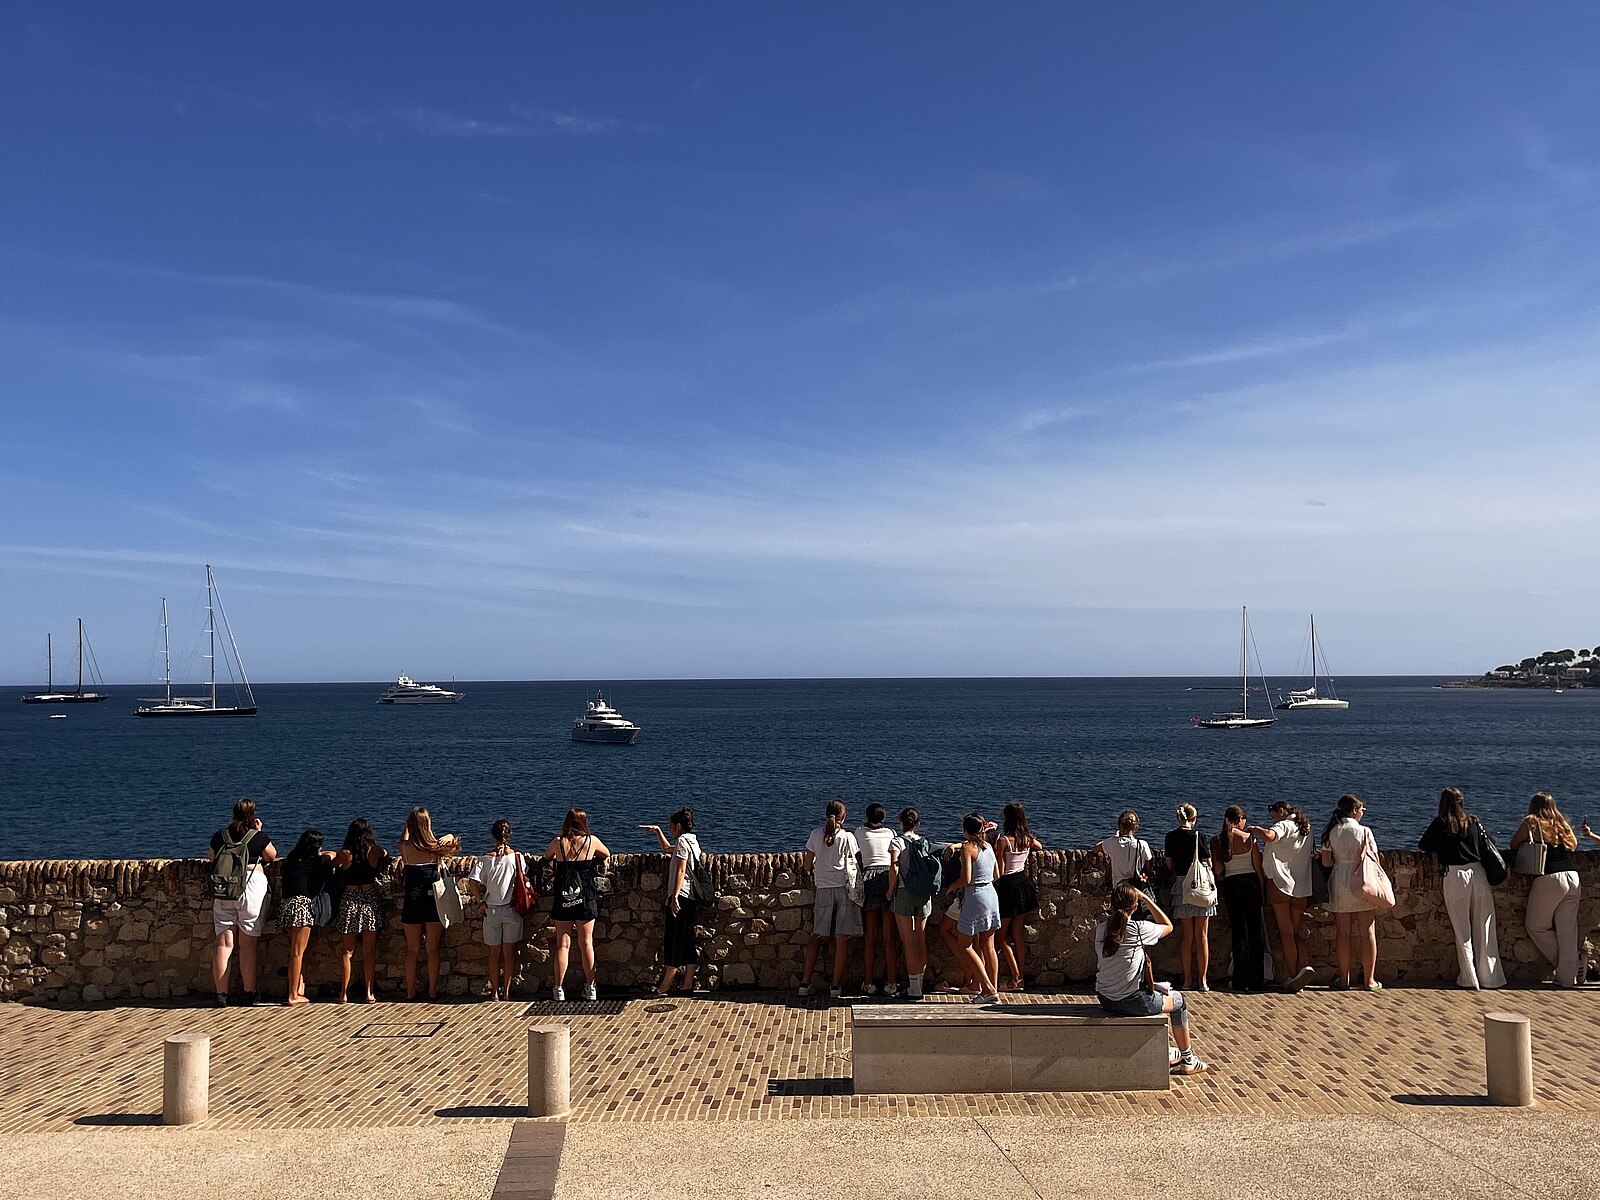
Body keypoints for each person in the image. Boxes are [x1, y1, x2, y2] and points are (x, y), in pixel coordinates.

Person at [1094, 884, 1209, 1076]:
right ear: (1135, 907)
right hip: (1131, 1002)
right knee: (1179, 1001)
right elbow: (1168, 926)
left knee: (1156, 993)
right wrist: (1147, 899)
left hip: (1105, 998)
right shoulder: (1139, 929)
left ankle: (1171, 1052)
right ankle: (1188, 1059)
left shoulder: (1101, 930)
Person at [1417, 788, 1505, 990]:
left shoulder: (1441, 823)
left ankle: (1469, 977)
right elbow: (1490, 842)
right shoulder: (1473, 822)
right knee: (1484, 924)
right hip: (1478, 873)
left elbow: (1423, 846)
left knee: (1461, 928)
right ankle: (1491, 978)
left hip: (1456, 874)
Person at [207, 798, 277, 1006]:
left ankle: (221, 995)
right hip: (251, 886)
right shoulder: (258, 836)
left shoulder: (220, 835)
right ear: (253, 815)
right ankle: (249, 993)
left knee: (223, 943)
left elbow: (212, 858)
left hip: (225, 887)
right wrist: (259, 831)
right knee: (247, 945)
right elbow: (271, 856)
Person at [1510, 793, 1583, 988]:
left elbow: (1513, 844)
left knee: (1536, 926)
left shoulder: (1532, 822)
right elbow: (1574, 846)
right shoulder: (1562, 823)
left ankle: (1571, 966)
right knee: (1567, 930)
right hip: (1573, 876)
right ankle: (1568, 976)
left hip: (1550, 877)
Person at [1248, 802, 1316, 992]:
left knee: (1286, 933)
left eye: (1273, 816)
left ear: (1281, 812)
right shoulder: (1306, 828)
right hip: (1301, 886)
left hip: (1280, 883)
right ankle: (1304, 967)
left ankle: (1293, 975)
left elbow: (1270, 836)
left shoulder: (1284, 825)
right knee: (1297, 932)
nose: (1272, 820)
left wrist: (1256, 830)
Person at [545, 808, 610, 1002]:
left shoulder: (558, 843)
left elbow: (547, 857)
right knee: (586, 943)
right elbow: (606, 853)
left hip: (564, 898)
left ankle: (559, 988)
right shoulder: (591, 841)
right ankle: (591, 987)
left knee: (563, 944)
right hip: (585, 898)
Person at [397, 807, 462, 1001]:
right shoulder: (435, 848)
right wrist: (448, 835)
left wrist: (408, 826)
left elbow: (402, 839)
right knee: (432, 947)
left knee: (412, 949)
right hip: (432, 899)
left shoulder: (405, 848)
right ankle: (432, 990)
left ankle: (410, 991)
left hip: (412, 899)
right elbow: (454, 843)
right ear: (428, 824)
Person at [800, 799, 862, 998]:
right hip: (843, 889)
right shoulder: (848, 837)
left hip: (823, 889)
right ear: (844, 817)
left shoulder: (815, 834)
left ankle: (805, 983)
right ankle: (835, 987)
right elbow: (854, 862)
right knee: (842, 938)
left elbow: (807, 865)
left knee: (817, 935)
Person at [1321, 794, 1382, 991]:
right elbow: (1375, 859)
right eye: (1362, 809)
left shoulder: (1331, 831)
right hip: (1362, 880)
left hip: (1339, 880)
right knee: (1367, 932)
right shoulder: (1365, 831)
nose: (1363, 812)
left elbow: (1326, 862)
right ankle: (1369, 980)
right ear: (1354, 810)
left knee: (1343, 932)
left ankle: (1343, 979)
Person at [640, 808, 703, 995]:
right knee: (688, 939)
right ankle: (687, 983)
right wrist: (658, 831)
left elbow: (681, 870)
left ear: (678, 826)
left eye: (670, 827)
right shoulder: (693, 841)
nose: (670, 830)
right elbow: (668, 850)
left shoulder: (682, 841)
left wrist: (674, 896)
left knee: (674, 939)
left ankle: (665, 985)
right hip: (691, 897)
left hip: (682, 896)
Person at [942, 812, 1002, 1004]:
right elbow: (997, 874)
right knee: (989, 946)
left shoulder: (968, 848)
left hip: (975, 896)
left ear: (965, 830)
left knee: (964, 944)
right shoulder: (989, 847)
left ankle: (988, 989)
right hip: (991, 894)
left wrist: (952, 887)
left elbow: (966, 878)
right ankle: (992, 989)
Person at [466, 819, 526, 1002]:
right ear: (509, 835)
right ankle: (507, 991)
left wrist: (480, 902)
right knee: (509, 953)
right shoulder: (517, 857)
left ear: (493, 836)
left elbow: (472, 881)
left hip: (491, 910)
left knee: (493, 954)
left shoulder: (485, 859)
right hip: (511, 909)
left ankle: (494, 992)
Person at [333, 817, 389, 1004]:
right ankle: (369, 992)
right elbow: (386, 854)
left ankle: (344, 993)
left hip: (350, 899)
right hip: (369, 899)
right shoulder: (374, 851)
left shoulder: (345, 854)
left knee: (347, 951)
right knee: (369, 951)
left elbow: (331, 865)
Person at [885, 806, 938, 1000]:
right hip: (923, 894)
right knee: (920, 940)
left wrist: (889, 891)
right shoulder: (924, 842)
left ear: (900, 822)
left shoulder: (897, 842)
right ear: (917, 824)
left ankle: (914, 989)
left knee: (908, 942)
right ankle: (919, 984)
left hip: (904, 892)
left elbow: (894, 867)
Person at [278, 829, 335, 1007]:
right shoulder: (315, 861)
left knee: (300, 950)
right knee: (297, 952)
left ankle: (298, 985)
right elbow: (333, 855)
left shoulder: (292, 858)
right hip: (301, 905)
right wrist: (321, 854)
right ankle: (292, 995)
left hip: (287, 904)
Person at [1214, 805, 1265, 992]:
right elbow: (1258, 867)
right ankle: (1256, 980)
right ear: (1240, 819)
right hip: (1250, 883)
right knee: (1254, 932)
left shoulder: (1218, 841)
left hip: (1231, 885)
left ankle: (1239, 979)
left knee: (1238, 933)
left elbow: (1218, 870)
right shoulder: (1249, 838)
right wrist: (1262, 889)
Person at [1163, 804, 1214, 991]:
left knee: (1187, 937)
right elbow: (1208, 863)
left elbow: (1170, 865)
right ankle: (1203, 980)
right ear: (1194, 819)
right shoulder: (1199, 836)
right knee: (1202, 936)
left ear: (1178, 818)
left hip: (1182, 886)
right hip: (1200, 887)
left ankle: (1187, 980)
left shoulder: (1170, 837)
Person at [994, 801, 1042, 991]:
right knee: (1017, 934)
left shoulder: (1004, 841)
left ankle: (1016, 978)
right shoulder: (1027, 839)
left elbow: (1000, 871)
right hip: (1023, 884)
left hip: (1008, 887)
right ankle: (1020, 975)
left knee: (1001, 936)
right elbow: (1040, 846)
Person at [855, 804, 901, 996]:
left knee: (870, 936)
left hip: (869, 878)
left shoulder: (859, 832)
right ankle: (892, 983)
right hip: (888, 876)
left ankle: (868, 983)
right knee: (889, 937)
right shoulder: (891, 833)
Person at [1096, 810, 1154, 892]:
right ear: (1136, 827)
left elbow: (1095, 849)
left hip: (1119, 887)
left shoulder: (1112, 842)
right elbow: (1149, 866)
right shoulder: (1142, 844)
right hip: (1136, 887)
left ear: (1119, 826)